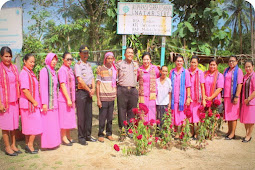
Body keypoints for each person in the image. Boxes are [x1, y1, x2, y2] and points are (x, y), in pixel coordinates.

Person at [19, 53, 42, 154]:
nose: (32, 63)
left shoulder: (30, 73)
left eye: (33, 62)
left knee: (29, 126)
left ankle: (28, 145)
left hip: (32, 104)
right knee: (33, 125)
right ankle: (30, 145)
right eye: (30, 62)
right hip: (29, 104)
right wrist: (34, 101)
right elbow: (25, 90)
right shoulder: (24, 73)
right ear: (25, 61)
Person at [0, 46, 21, 156]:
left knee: (13, 125)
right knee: (5, 125)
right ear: (1, 56)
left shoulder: (14, 68)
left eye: (9, 56)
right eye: (5, 56)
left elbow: (18, 82)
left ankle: (13, 145)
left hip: (14, 101)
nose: (8, 59)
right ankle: (7, 147)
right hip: (4, 101)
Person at [116, 47, 139, 141]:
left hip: (133, 90)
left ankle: (130, 130)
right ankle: (122, 131)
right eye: (128, 53)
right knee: (121, 110)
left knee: (132, 111)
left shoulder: (136, 65)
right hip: (122, 89)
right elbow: (113, 73)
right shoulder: (119, 64)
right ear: (124, 54)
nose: (130, 54)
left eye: (132, 53)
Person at [75, 45, 97, 145]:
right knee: (81, 116)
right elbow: (79, 80)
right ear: (80, 54)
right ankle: (81, 137)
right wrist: (89, 90)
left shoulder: (88, 65)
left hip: (89, 91)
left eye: (87, 53)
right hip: (82, 92)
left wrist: (93, 88)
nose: (86, 55)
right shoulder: (77, 65)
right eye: (84, 53)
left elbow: (92, 78)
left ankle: (88, 135)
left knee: (89, 115)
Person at [39, 53, 61, 149]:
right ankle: (48, 144)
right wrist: (44, 103)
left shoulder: (53, 72)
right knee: (47, 124)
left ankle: (54, 143)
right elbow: (43, 87)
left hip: (54, 102)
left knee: (54, 124)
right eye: (52, 59)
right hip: (47, 103)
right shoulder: (44, 71)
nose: (54, 62)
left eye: (55, 60)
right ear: (48, 60)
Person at [96, 52, 117, 143]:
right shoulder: (101, 69)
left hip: (111, 98)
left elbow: (115, 84)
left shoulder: (115, 70)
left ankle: (109, 133)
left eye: (111, 58)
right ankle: (101, 134)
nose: (110, 60)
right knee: (102, 117)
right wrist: (98, 99)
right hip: (103, 97)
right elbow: (98, 85)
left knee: (110, 117)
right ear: (105, 59)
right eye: (108, 58)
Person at [169, 55, 191, 138]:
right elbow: (169, 85)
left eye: (181, 61)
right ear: (175, 62)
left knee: (182, 116)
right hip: (174, 98)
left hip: (182, 98)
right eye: (178, 61)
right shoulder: (172, 72)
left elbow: (188, 86)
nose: (179, 62)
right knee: (174, 116)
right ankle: (176, 132)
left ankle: (181, 133)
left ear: (183, 62)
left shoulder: (186, 72)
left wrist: (188, 97)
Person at [58, 52, 76, 146]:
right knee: (64, 119)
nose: (69, 61)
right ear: (63, 60)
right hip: (64, 99)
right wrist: (68, 99)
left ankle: (68, 135)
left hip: (71, 98)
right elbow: (62, 85)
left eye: (71, 59)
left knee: (69, 118)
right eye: (67, 59)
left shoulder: (69, 69)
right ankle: (63, 137)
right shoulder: (62, 70)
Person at [223, 56, 243, 140]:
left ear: (237, 62)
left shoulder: (239, 71)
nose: (231, 62)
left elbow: (240, 84)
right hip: (227, 96)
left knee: (233, 115)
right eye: (230, 61)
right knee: (228, 114)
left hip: (234, 96)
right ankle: (229, 130)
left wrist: (236, 96)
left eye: (233, 61)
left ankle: (233, 133)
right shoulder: (226, 70)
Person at [138, 52, 160, 121]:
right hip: (143, 96)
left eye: (147, 59)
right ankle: (143, 130)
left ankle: (152, 130)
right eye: (144, 59)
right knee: (143, 114)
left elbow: (159, 79)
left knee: (152, 114)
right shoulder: (139, 70)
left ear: (150, 60)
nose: (146, 61)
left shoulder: (155, 69)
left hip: (152, 96)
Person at [188, 56, 206, 139]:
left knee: (197, 116)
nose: (193, 64)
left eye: (195, 62)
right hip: (189, 98)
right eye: (192, 62)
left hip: (197, 98)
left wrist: (204, 99)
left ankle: (197, 132)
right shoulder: (187, 72)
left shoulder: (200, 73)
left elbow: (202, 86)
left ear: (197, 63)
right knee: (190, 116)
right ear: (190, 62)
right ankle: (191, 131)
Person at [240, 60, 255, 143]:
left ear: (253, 67)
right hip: (244, 101)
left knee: (251, 120)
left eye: (249, 66)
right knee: (246, 119)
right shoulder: (245, 76)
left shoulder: (254, 76)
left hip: (251, 102)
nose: (248, 68)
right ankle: (247, 134)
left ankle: (249, 135)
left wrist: (249, 98)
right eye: (246, 67)